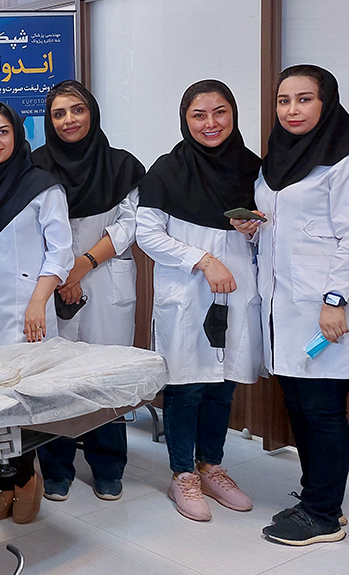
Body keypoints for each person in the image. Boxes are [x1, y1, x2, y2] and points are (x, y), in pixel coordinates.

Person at [135, 80, 262, 524]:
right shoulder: (167, 171)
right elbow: (147, 234)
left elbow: (270, 230)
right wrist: (203, 260)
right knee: (185, 385)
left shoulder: (252, 169)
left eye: (220, 112)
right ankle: (182, 474)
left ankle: (211, 467)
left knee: (222, 385)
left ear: (234, 115)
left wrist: (254, 231)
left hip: (237, 292)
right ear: (185, 120)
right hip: (187, 294)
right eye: (199, 115)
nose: (211, 123)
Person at [236, 65, 349, 545]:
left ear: (326, 102)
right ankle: (315, 498)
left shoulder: (341, 160)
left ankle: (324, 515)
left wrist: (336, 301)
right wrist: (254, 228)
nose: (292, 110)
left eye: (304, 99)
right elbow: (285, 229)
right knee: (300, 407)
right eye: (284, 101)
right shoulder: (274, 163)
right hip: (282, 305)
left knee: (322, 410)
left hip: (324, 307)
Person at [0, 100, 72, 525]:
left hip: (26, 312)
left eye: (2, 132)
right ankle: (8, 482)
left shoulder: (43, 187)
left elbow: (60, 252)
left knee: (22, 402)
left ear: (17, 136)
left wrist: (38, 300)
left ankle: (26, 480)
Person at [30, 82, 144, 504]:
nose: (69, 120)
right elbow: (31, 227)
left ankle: (108, 464)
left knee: (106, 375)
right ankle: (56, 466)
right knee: (55, 377)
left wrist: (83, 264)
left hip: (105, 275)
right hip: (52, 280)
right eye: (58, 113)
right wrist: (64, 273)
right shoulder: (36, 166)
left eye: (77, 110)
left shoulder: (122, 166)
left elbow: (130, 223)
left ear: (92, 112)